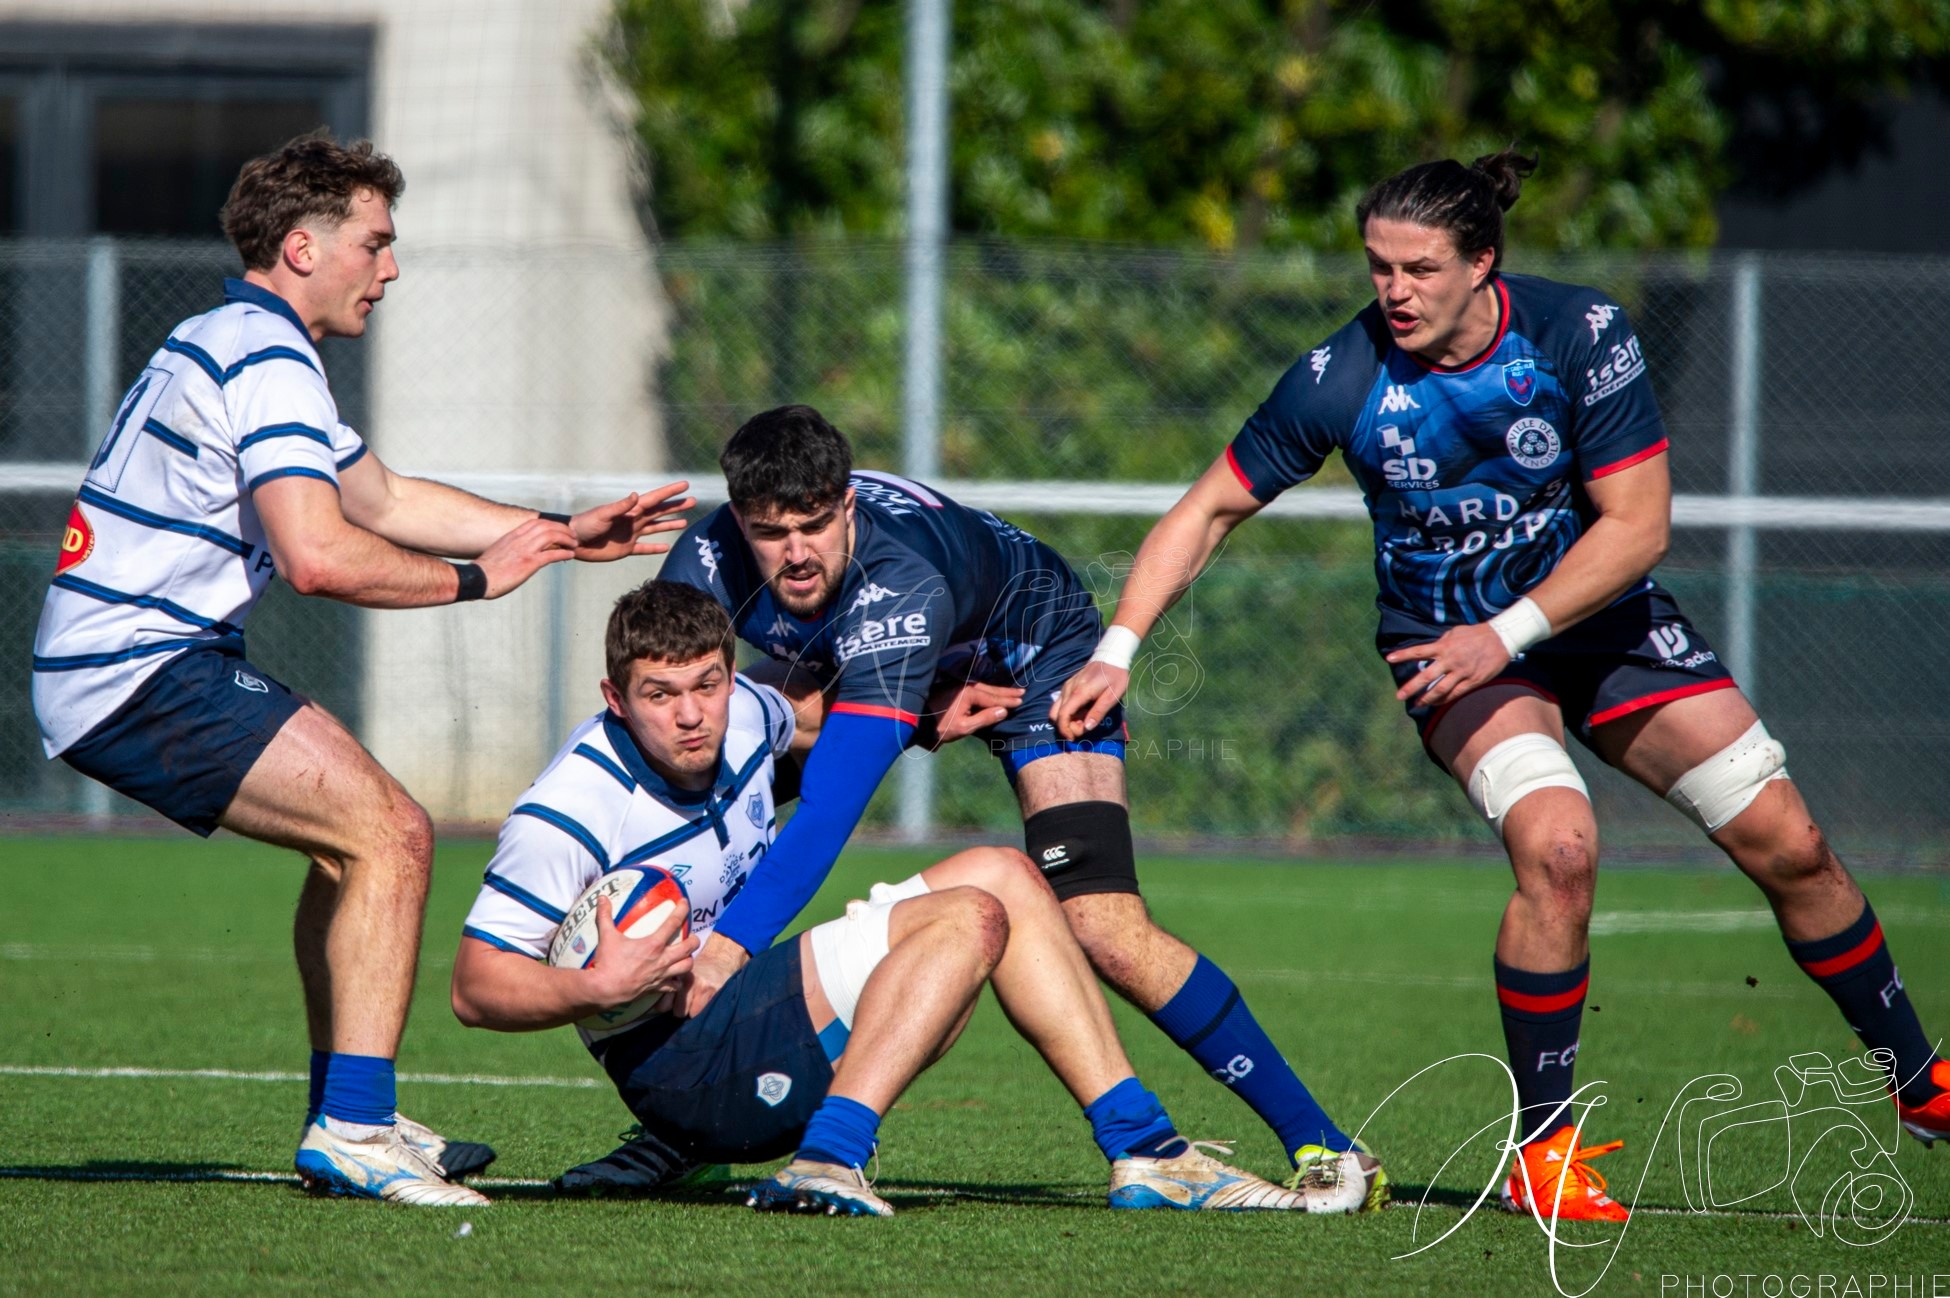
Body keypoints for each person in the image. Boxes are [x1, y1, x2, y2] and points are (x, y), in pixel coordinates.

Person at [1052, 149, 1950, 1222]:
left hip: (1600, 621)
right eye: (1379, 267)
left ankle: (1918, 1080)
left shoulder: (1580, 335)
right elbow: (1204, 510)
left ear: (1486, 259)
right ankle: (1543, 1147)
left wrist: (1512, 628)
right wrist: (1118, 646)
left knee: (1791, 842)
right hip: (1444, 642)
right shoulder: (1342, 375)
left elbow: (1639, 526)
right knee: (1561, 850)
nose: (1394, 292)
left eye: (1421, 268)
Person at [29, 131, 693, 1206]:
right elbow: (321, 551)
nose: (392, 269)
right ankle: (353, 1124)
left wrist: (559, 534)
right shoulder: (266, 353)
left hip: (126, 659)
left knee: (353, 852)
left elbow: (377, 497)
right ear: (302, 247)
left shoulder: (241, 338)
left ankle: (346, 1109)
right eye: (376, 244)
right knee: (392, 830)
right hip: (136, 664)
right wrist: (478, 583)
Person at [655, 407, 1386, 1205]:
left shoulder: (900, 583)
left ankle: (1325, 1145)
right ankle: (675, 1133)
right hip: (858, 659)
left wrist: (725, 951)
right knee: (702, 796)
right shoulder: (703, 561)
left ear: (848, 506)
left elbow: (832, 808)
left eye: (815, 525)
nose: (795, 554)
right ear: (736, 518)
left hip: (1032, 646)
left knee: (1101, 925)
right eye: (770, 531)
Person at [450, 579, 1337, 1215]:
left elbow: (821, 720)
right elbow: (474, 988)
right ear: (615, 697)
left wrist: (925, 711)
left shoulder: (746, 715)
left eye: (707, 686)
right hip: (676, 1067)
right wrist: (595, 990)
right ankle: (827, 1163)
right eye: (660, 695)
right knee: (969, 918)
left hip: (741, 1007)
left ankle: (1142, 1147)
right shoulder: (567, 812)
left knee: (1003, 873)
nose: (692, 715)